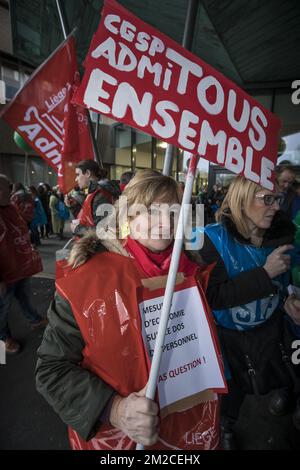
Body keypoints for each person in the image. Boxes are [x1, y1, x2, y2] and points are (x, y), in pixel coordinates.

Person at [36, 169, 221, 451]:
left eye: (172, 211)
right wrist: (115, 409)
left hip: (186, 435)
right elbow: (51, 370)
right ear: (127, 215)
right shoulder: (87, 279)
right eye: (150, 210)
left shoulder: (192, 270)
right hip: (116, 442)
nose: (164, 222)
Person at [197, 175, 300, 449]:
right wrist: (264, 274)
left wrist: (288, 298)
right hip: (229, 337)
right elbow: (213, 296)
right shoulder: (212, 240)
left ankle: (284, 397)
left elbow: (286, 280)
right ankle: (226, 426)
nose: (276, 206)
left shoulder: (282, 234)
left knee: (281, 371)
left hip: (270, 329)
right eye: (267, 199)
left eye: (277, 199)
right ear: (242, 200)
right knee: (232, 393)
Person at [0, 175, 47, 354]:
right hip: (5, 274)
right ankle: (3, 337)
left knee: (24, 296)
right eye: (8, 187)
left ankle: (34, 319)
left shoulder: (11, 207)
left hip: (19, 268)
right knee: (2, 309)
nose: (12, 191)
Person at [72, 160, 121, 237]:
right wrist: (73, 206)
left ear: (88, 173)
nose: (76, 179)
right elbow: (89, 218)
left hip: (104, 247)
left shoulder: (101, 194)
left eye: (78, 174)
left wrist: (77, 229)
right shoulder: (96, 192)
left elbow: (104, 232)